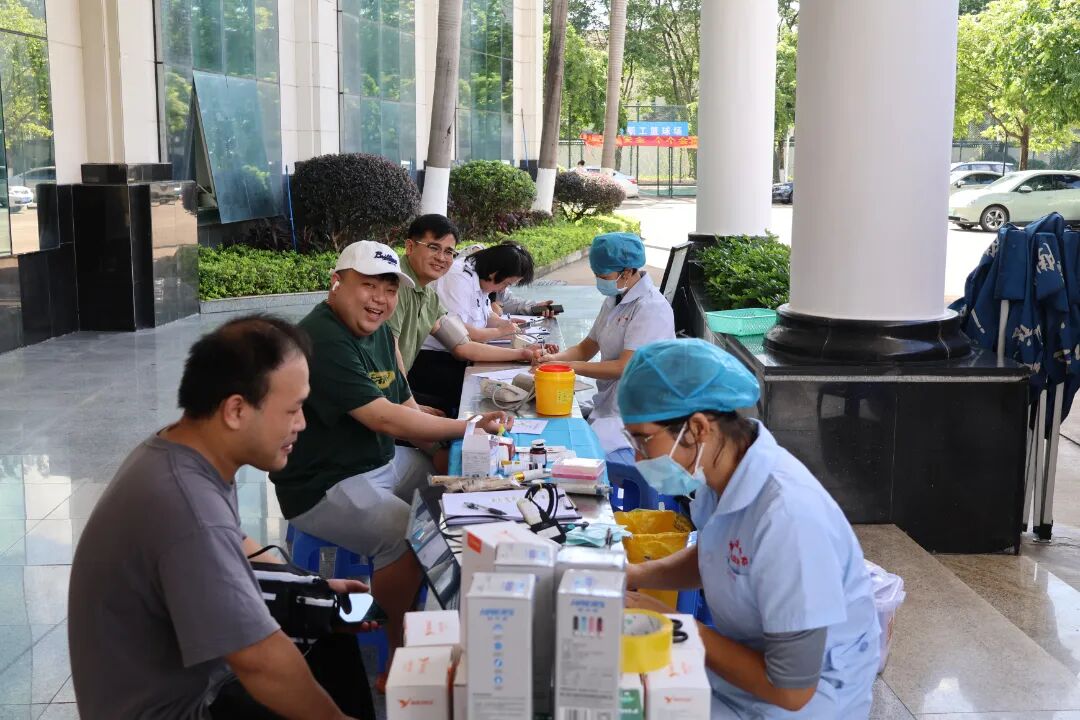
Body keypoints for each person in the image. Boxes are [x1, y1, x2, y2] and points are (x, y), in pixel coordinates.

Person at [68, 316, 375, 720]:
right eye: (293, 409)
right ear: (236, 410)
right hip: (181, 710)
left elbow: (231, 542)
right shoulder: (186, 505)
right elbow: (259, 660)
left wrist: (308, 585)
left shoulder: (180, 450)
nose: (301, 423)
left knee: (327, 635)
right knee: (307, 680)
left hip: (189, 684)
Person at [269, 240, 511, 680]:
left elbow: (402, 399)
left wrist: (437, 445)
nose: (379, 299)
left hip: (378, 461)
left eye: (389, 288)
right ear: (336, 283)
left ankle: (445, 609)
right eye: (368, 286)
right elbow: (382, 416)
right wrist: (467, 426)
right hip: (325, 482)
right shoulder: (322, 338)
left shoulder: (378, 330)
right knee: (408, 534)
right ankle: (398, 655)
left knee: (449, 480)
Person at [617, 339, 881, 719]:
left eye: (642, 439)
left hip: (803, 703)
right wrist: (633, 574)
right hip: (742, 671)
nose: (638, 455)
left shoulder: (788, 519)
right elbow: (718, 554)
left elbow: (792, 691)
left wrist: (675, 626)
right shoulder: (719, 474)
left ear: (697, 428)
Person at [536, 232, 674, 460]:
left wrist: (567, 367)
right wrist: (553, 360)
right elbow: (586, 347)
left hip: (640, 411)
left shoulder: (651, 307)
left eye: (603, 275)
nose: (599, 281)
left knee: (579, 452)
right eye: (596, 274)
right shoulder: (614, 299)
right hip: (611, 402)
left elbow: (624, 367)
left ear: (627, 272)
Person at [387, 214, 542, 412]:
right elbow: (391, 352)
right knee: (460, 407)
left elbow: (462, 345)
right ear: (410, 247)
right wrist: (412, 410)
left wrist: (522, 353)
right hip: (383, 391)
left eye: (449, 252)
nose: (441, 258)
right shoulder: (395, 286)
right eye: (433, 248)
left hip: (397, 385)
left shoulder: (428, 295)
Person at [412, 241, 553, 415]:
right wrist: (517, 350)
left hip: (457, 354)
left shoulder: (480, 279)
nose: (504, 289)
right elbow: (463, 342)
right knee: (485, 395)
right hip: (434, 358)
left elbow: (484, 317)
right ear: (495, 272)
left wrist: (504, 325)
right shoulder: (458, 278)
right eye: (506, 284)